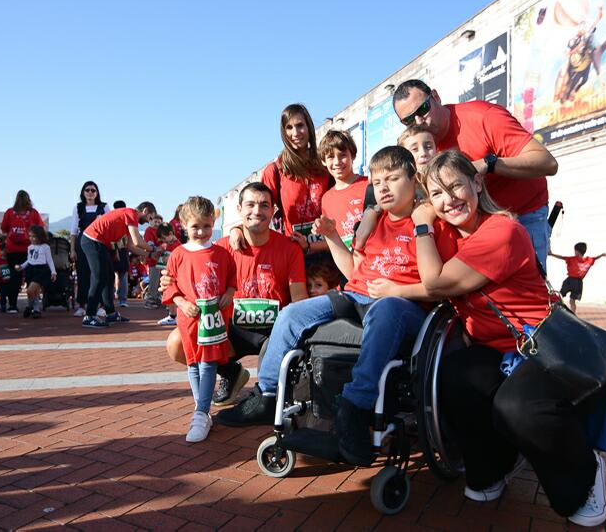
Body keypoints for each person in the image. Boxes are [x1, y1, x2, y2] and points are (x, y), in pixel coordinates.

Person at [411, 149, 606, 526]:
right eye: (437, 194)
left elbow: (433, 284)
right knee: (453, 377)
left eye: (455, 186)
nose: (448, 199)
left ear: (477, 182)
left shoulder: (501, 230)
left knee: (518, 407)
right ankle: (492, 469)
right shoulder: (449, 236)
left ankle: (584, 473)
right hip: (492, 348)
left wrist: (420, 225)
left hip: (541, 344)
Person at [215, 146, 431, 468]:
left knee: (386, 309)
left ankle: (355, 407)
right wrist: (331, 236)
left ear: (413, 179)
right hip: (356, 295)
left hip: (403, 303)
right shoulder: (373, 222)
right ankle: (267, 393)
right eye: (378, 180)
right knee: (291, 314)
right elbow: (354, 273)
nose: (383, 187)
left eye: (393, 179)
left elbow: (439, 284)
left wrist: (398, 290)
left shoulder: (427, 221)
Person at [160, 182, 308, 405]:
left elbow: (299, 301)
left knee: (273, 395)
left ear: (273, 211)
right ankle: (230, 372)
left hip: (273, 331)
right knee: (177, 343)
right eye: (250, 205)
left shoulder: (289, 248)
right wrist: (170, 281)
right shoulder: (219, 248)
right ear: (239, 210)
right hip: (230, 329)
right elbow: (186, 278)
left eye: (264, 205)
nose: (257, 211)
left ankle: (268, 394)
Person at [392, 79, 559, 267]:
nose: (419, 122)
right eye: (408, 120)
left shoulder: (484, 117)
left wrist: (487, 164)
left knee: (526, 289)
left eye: (423, 109)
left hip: (523, 213)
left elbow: (548, 163)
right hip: (475, 222)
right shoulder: (421, 144)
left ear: (436, 97)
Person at [161, 196, 236, 442]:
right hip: (189, 318)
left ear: (213, 222)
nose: (202, 231)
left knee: (208, 363)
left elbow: (231, 280)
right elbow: (170, 288)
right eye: (195, 227)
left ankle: (201, 412)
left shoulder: (222, 253)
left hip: (214, 317)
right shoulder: (178, 254)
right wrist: (182, 303)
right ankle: (201, 410)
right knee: (193, 363)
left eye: (206, 225)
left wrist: (228, 293)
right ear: (184, 225)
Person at [230, 104, 332, 266]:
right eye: (289, 127)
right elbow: (259, 210)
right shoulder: (275, 171)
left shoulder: (326, 166)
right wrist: (237, 229)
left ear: (309, 128)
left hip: (327, 256)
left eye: (300, 126)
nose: (295, 133)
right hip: (293, 255)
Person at [80, 202, 155, 328]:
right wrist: (152, 249)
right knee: (99, 277)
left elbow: (131, 246)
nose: (149, 221)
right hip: (93, 240)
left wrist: (149, 255)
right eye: (150, 218)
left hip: (101, 243)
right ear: (145, 211)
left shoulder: (129, 221)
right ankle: (89, 315)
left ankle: (110, 313)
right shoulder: (131, 214)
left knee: (109, 277)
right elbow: (137, 241)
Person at [318, 130, 368, 251]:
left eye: (342, 155)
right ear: (323, 161)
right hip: (345, 265)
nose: (337, 162)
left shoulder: (370, 185)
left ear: (353, 155)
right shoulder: (326, 199)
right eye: (330, 157)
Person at [69, 181, 110, 317]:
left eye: (93, 190)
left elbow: (109, 226)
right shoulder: (78, 207)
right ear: (83, 192)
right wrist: (72, 249)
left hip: (99, 243)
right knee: (83, 273)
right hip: (83, 243)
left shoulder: (104, 207)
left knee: (99, 274)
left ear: (97, 193)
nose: (90, 193)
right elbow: (74, 230)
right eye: (87, 190)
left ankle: (101, 305)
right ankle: (82, 304)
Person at [0, 190, 45, 313]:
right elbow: (40, 229)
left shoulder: (10, 212)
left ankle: (12, 305)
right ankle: (33, 305)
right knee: (31, 277)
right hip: (30, 249)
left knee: (14, 277)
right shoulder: (33, 213)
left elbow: (4, 228)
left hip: (12, 250)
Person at [549, 242, 606, 313]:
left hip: (570, 280)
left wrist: (552, 254)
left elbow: (562, 257)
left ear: (577, 251)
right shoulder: (589, 260)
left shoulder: (572, 259)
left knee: (560, 296)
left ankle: (556, 310)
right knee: (572, 300)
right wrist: (601, 255)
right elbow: (595, 258)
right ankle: (573, 313)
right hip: (579, 283)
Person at [15, 225, 57, 318]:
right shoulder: (30, 247)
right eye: (30, 236)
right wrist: (21, 266)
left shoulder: (45, 247)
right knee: (34, 292)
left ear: (40, 236)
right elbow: (29, 260)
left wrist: (53, 272)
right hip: (30, 269)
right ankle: (36, 309)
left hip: (41, 270)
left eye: (34, 236)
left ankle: (30, 306)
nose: (31, 238)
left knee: (30, 290)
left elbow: (49, 260)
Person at [143, 214, 164, 309]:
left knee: (160, 280)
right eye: (155, 221)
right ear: (151, 221)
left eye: (159, 222)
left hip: (162, 259)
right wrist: (157, 248)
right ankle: (150, 299)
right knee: (154, 280)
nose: (157, 224)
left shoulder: (161, 231)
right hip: (153, 259)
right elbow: (149, 243)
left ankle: (158, 298)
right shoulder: (149, 230)